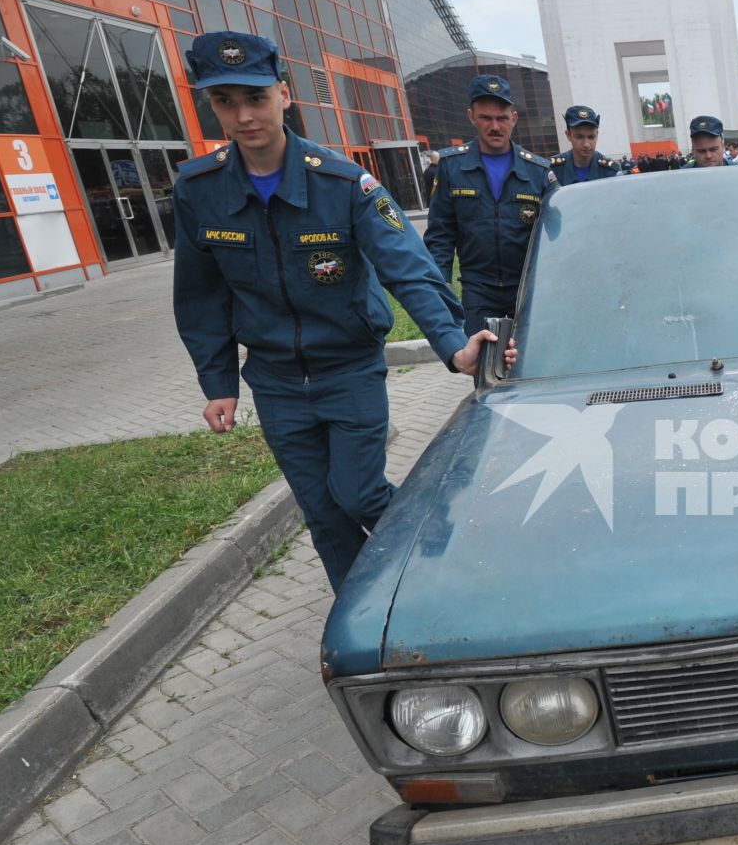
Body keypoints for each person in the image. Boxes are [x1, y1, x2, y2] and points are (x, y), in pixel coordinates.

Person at [170, 32, 508, 593]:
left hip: (348, 369)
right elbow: (200, 294)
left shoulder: (344, 183)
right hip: (275, 382)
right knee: (323, 513)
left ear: (283, 94)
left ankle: (447, 563)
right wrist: (218, 381)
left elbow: (410, 268)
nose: (244, 115)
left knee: (359, 494)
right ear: (212, 107)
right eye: (225, 101)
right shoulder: (197, 189)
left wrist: (454, 344)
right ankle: (364, 612)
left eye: (255, 98)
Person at [422, 75, 558, 335]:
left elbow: (557, 236)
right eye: (486, 117)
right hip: (478, 290)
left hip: (529, 288)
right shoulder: (452, 168)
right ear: (471, 116)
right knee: (484, 367)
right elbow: (440, 235)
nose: (495, 126)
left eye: (502, 118)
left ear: (514, 119)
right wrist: (440, 287)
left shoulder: (538, 171)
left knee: (530, 365)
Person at [548, 105, 623, 185]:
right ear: (568, 135)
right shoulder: (552, 169)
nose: (586, 144)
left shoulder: (611, 171)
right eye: (579, 137)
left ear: (597, 135)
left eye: (591, 137)